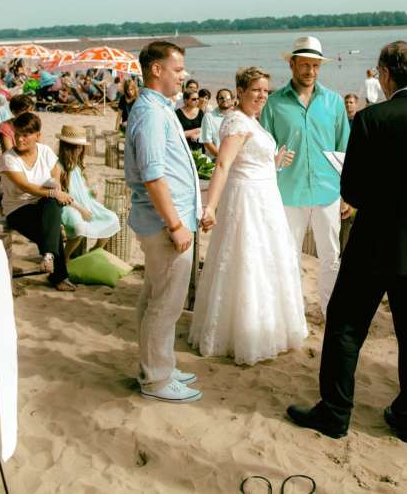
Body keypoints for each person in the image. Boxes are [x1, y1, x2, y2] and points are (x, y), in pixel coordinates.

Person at [287, 41, 407, 443]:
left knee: (345, 327)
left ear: (385, 74)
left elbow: (352, 189)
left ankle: (335, 412)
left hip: (371, 244)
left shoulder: (370, 119)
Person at [189, 66, 307, 364]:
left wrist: (275, 161)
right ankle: (243, 332)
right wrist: (211, 207)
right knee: (247, 260)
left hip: (265, 197)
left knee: (268, 260)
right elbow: (223, 165)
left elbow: (250, 159)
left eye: (265, 91)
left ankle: (268, 327)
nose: (262, 96)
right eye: (256, 90)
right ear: (240, 91)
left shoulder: (252, 120)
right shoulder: (237, 122)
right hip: (247, 201)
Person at [125, 41, 202, 403]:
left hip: (166, 220)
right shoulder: (151, 113)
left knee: (156, 296)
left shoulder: (158, 108)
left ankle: (160, 365)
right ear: (157, 70)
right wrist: (175, 225)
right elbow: (153, 175)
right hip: (164, 224)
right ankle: (155, 379)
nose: (183, 75)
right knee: (165, 303)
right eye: (178, 69)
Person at [259, 35, 351, 316]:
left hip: (328, 192)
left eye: (316, 65)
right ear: (292, 64)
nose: (311, 71)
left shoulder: (334, 102)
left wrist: (347, 193)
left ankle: (330, 313)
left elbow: (345, 150)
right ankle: (292, 315)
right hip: (288, 192)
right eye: (305, 65)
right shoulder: (273, 104)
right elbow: (263, 151)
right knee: (288, 257)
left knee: (331, 257)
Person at [0, 112, 75, 290]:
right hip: (18, 208)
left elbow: (56, 171)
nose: (19, 139)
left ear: (37, 135)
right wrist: (55, 193)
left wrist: (56, 187)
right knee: (52, 230)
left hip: (44, 204)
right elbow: (25, 186)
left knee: (51, 206)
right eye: (17, 134)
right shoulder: (9, 158)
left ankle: (48, 256)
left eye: (25, 135)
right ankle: (59, 276)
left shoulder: (44, 151)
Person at [56, 125, 120, 250]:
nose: (80, 150)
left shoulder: (78, 165)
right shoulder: (58, 166)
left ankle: (94, 250)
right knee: (80, 228)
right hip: (69, 206)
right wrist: (81, 210)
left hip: (86, 202)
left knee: (112, 218)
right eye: (77, 147)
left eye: (81, 147)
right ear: (67, 147)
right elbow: (61, 195)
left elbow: (82, 189)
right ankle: (65, 257)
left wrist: (91, 192)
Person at [199, 88, 233, 159]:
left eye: (227, 97)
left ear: (232, 100)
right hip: (215, 159)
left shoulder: (236, 116)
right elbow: (207, 142)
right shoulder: (209, 117)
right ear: (217, 100)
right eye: (221, 98)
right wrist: (222, 158)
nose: (224, 100)